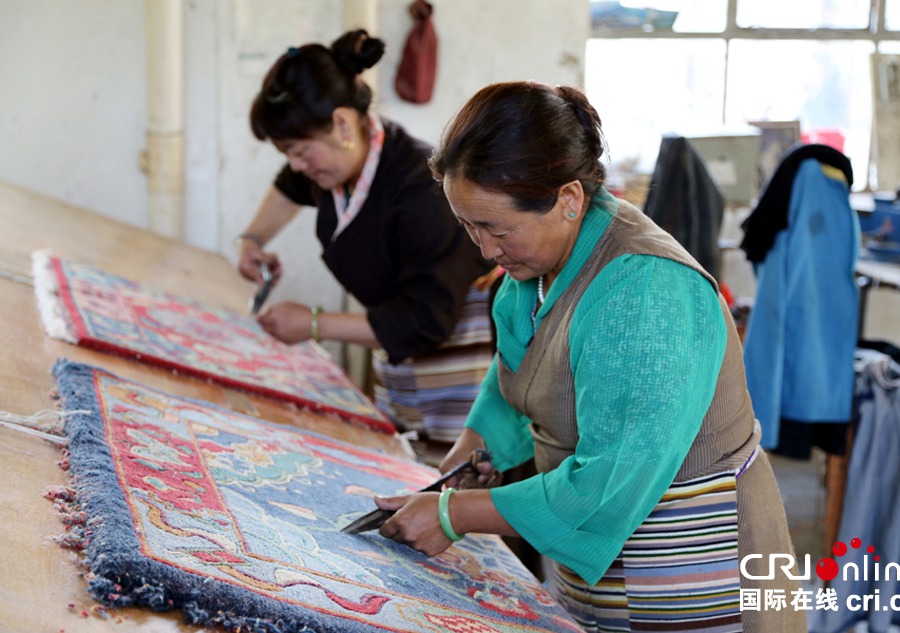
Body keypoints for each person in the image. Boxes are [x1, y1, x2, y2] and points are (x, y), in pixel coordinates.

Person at [372, 81, 806, 632]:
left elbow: (610, 479)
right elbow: (518, 372)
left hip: (695, 559)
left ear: (569, 199)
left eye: (496, 228)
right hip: (602, 562)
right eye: (468, 226)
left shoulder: (645, 288)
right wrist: (472, 452)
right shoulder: (533, 270)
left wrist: (453, 515)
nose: (485, 249)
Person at [237, 29, 498, 442]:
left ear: (342, 123)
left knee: (450, 469)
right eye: (288, 154)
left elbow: (427, 319)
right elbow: (290, 185)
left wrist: (315, 324)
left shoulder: (420, 191)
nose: (297, 165)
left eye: (300, 152)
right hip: (398, 346)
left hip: (457, 355)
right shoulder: (332, 170)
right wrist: (252, 240)